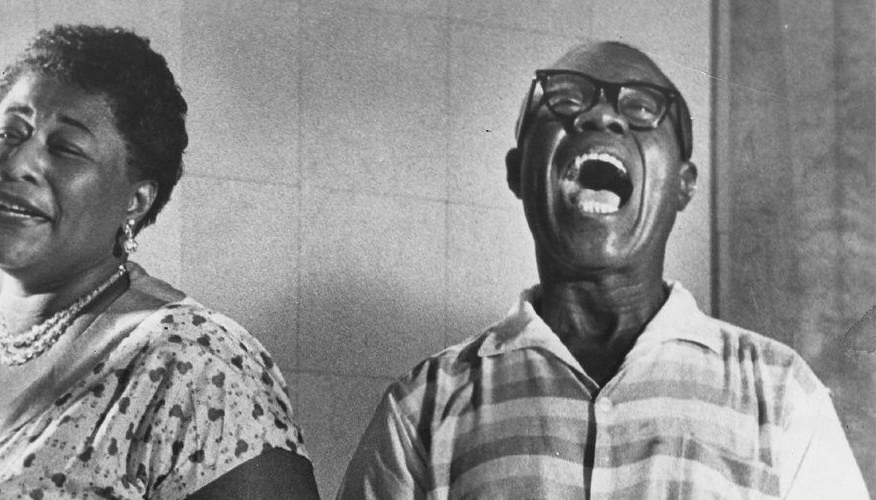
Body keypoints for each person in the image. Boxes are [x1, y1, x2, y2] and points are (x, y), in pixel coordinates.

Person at [338, 41, 868, 499]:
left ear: (684, 183)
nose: (601, 118)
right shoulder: (421, 409)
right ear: (518, 171)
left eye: (641, 108)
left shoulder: (780, 394)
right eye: (565, 100)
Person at [0, 24, 319, 499]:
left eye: (65, 148)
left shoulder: (196, 364)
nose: (17, 163)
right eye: (9, 131)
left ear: (136, 201)